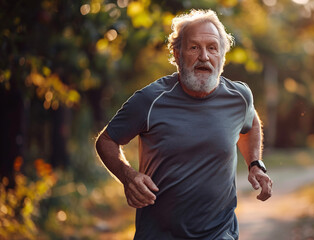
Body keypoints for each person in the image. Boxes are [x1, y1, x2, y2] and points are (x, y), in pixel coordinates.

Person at [95, 9, 273, 240]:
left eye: (212, 47)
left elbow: (251, 123)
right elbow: (106, 140)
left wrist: (255, 163)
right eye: (194, 47)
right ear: (177, 54)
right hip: (159, 234)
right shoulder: (150, 100)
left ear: (222, 56)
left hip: (220, 233)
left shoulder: (239, 96)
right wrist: (127, 176)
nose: (204, 57)